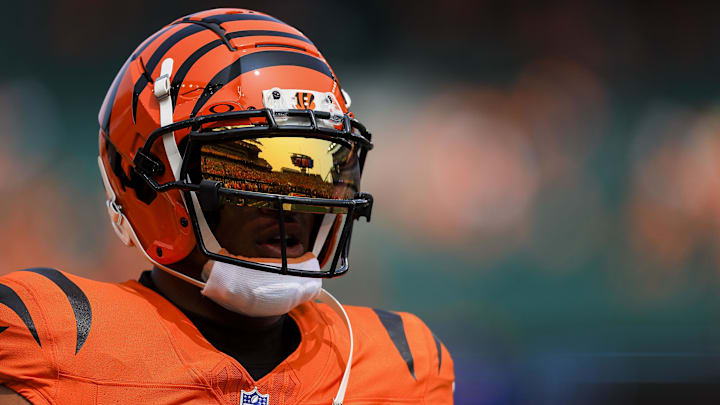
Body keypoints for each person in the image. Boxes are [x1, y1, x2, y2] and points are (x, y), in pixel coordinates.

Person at [0, 8, 454, 404]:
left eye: (316, 169)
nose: (291, 201)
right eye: (247, 168)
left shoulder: (405, 364)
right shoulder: (55, 339)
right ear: (149, 182)